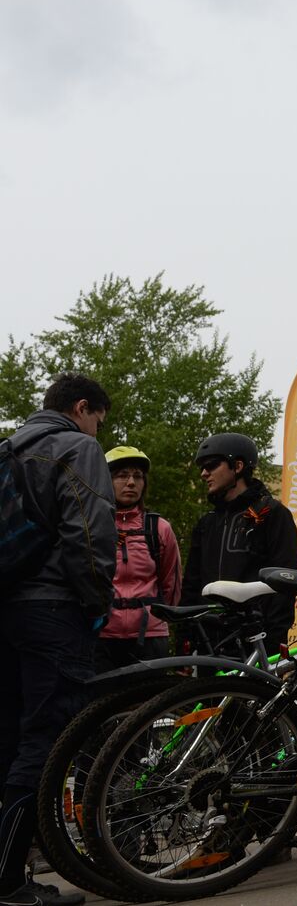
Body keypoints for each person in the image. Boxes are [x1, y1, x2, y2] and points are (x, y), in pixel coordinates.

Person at [0, 373, 115, 906]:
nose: (98, 429)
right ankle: (7, 882)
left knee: (7, 741)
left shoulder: (8, 450)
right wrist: (96, 603)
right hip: (52, 612)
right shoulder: (77, 445)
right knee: (43, 742)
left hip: (5, 612)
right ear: (83, 407)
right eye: (99, 418)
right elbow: (88, 533)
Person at [182, 433, 297, 658]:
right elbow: (191, 585)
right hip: (208, 642)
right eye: (202, 467)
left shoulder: (273, 514)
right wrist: (186, 639)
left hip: (256, 642)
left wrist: (274, 642)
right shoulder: (207, 522)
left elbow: (285, 582)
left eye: (212, 465)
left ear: (238, 466)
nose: (204, 473)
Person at [96, 446, 181, 672]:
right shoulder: (93, 525)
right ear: (106, 480)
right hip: (102, 634)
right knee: (101, 705)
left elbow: (170, 584)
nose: (131, 482)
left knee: (148, 705)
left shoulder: (159, 528)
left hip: (149, 637)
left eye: (138, 476)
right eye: (122, 476)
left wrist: (160, 618)